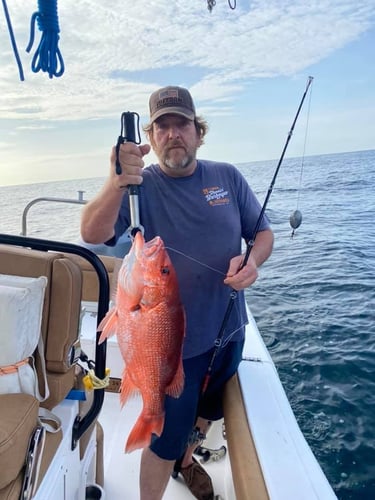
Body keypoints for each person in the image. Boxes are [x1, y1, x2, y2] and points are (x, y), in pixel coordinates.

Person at [81, 86, 274, 500]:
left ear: (198, 132)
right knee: (163, 436)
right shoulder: (138, 189)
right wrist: (117, 182)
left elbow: (262, 232)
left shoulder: (228, 177)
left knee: (210, 410)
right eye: (162, 127)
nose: (173, 134)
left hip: (228, 330)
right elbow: (92, 234)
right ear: (150, 139)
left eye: (181, 124)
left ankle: (187, 462)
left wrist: (253, 261)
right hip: (172, 347)